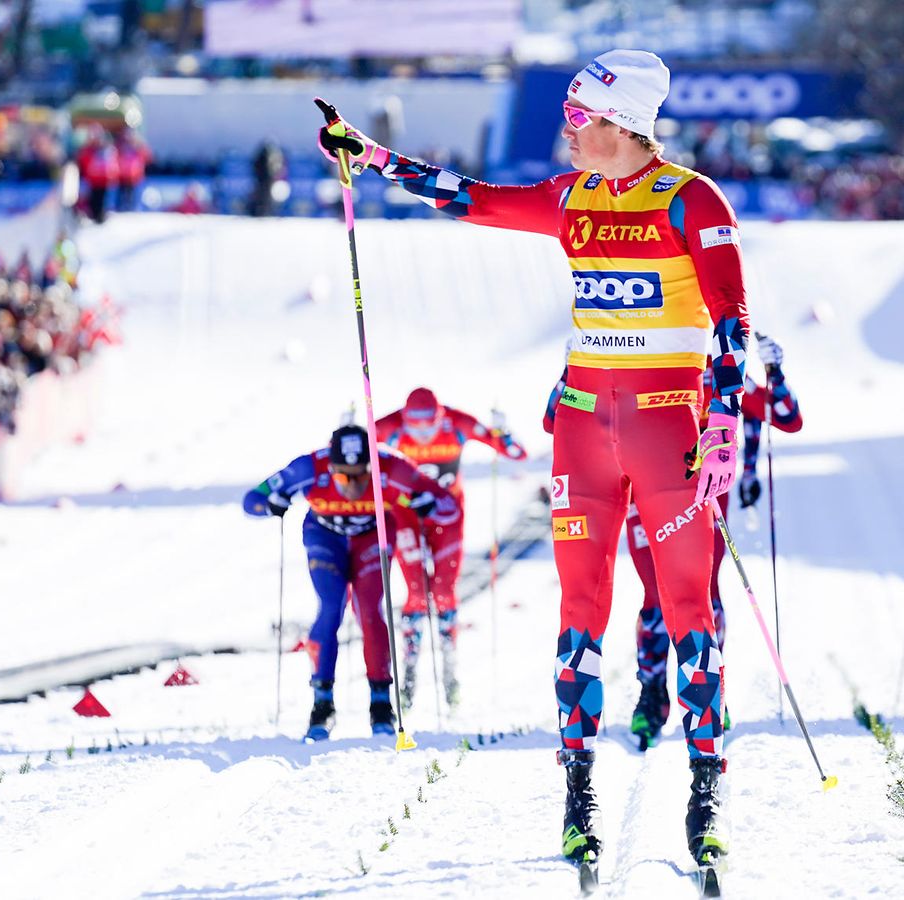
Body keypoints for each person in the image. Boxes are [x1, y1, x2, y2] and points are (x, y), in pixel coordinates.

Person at [318, 48, 750, 872]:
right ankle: (578, 800)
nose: (568, 133)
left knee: (690, 610)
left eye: (581, 119)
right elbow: (473, 201)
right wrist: (372, 159)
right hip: (584, 429)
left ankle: (704, 795)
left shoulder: (694, 201)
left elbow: (732, 320)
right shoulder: (571, 196)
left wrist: (725, 419)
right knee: (578, 612)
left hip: (670, 427)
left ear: (624, 123)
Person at [617, 334, 802, 749]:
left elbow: (786, 418)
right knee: (655, 597)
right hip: (645, 492)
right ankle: (652, 695)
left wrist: (776, 374)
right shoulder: (645, 352)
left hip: (703, 498)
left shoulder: (717, 369)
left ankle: (710, 689)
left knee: (704, 594)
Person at [242, 424, 457, 741]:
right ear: (332, 466)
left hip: (372, 536)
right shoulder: (310, 466)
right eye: (343, 476)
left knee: (370, 610)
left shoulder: (391, 464)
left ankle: (381, 703)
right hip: (325, 536)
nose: (353, 484)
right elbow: (251, 501)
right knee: (331, 608)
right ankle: (322, 702)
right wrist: (271, 504)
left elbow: (448, 505)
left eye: (361, 475)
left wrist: (428, 504)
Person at [373, 387, 527, 708]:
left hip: (448, 513)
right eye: (416, 429)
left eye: (429, 427)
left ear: (440, 418)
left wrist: (503, 431)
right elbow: (349, 456)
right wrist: (350, 431)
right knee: (416, 591)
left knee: (444, 591)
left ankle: (450, 670)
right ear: (405, 422)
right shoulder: (391, 427)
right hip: (406, 514)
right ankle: (410, 671)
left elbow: (515, 454)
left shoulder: (457, 423)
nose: (424, 436)